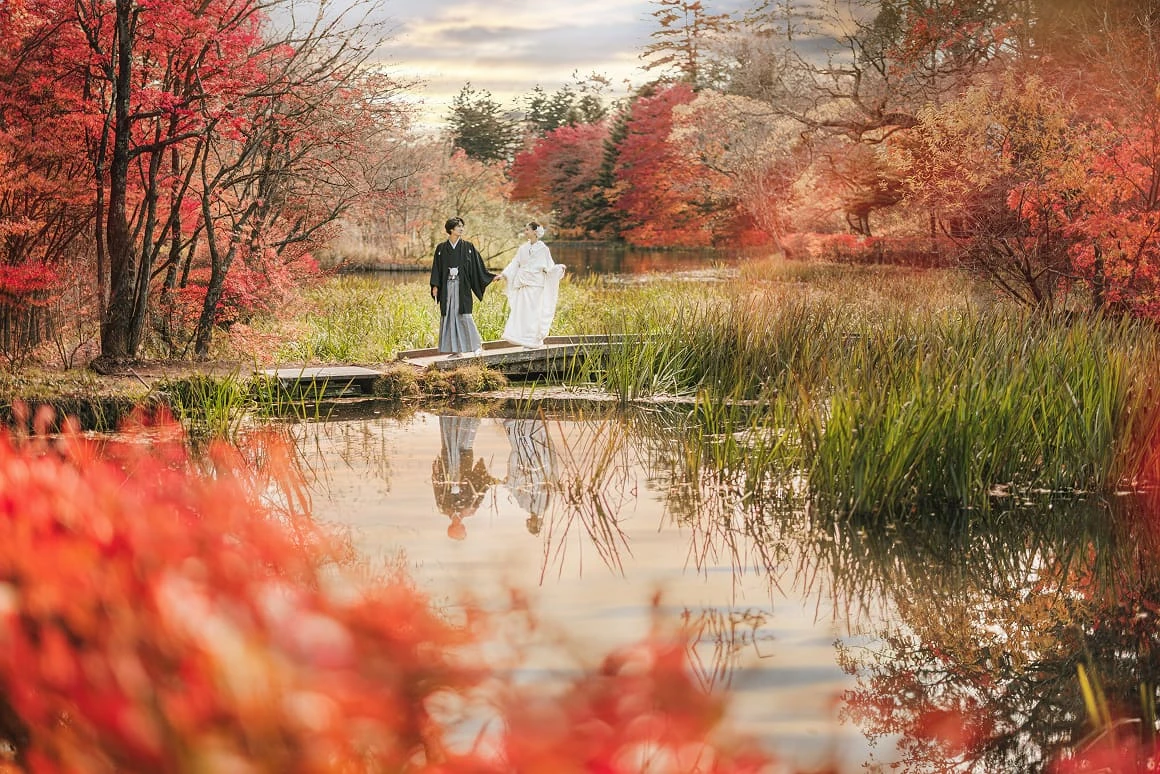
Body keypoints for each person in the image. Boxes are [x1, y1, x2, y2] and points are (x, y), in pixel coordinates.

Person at [430, 217, 495, 358]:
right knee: (449, 317)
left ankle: (476, 347)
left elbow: (477, 267)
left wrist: (489, 277)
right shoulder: (441, 248)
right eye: (458, 226)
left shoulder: (468, 247)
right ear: (451, 229)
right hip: (447, 287)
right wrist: (435, 285)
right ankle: (456, 350)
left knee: (465, 315)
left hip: (462, 287)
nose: (461, 229)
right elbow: (436, 268)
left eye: (462, 226)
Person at [495, 222, 565, 348]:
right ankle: (524, 340)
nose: (525, 232)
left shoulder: (543, 249)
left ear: (535, 232)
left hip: (536, 286)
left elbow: (549, 268)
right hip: (523, 284)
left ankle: (533, 341)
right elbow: (515, 263)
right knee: (523, 314)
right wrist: (503, 275)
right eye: (525, 229)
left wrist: (558, 269)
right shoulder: (523, 248)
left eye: (527, 229)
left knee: (534, 314)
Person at [431, 415, 494, 540]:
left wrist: (437, 469)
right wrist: (488, 480)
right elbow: (481, 488)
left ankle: (450, 416)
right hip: (465, 463)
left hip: (447, 462)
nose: (463, 528)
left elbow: (437, 484)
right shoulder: (470, 509)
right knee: (466, 446)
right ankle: (469, 416)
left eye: (461, 530)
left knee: (448, 444)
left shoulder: (443, 508)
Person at [503, 417, 555, 535]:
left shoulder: (526, 507)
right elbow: (545, 489)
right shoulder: (542, 507)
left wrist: (512, 484)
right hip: (537, 476)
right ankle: (529, 426)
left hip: (529, 477)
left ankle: (521, 427)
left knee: (522, 453)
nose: (529, 522)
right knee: (533, 452)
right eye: (531, 525)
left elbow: (516, 492)